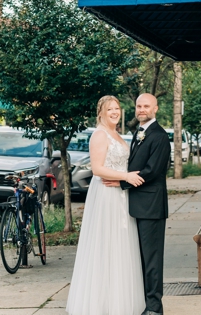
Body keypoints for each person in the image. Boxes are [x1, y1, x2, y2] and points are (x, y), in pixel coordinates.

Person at [66, 96, 147, 315]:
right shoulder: (99, 135)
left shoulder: (117, 135)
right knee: (106, 244)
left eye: (117, 108)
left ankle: (120, 300)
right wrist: (126, 176)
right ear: (100, 113)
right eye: (109, 109)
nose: (114, 112)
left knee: (121, 244)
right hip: (105, 194)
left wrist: (123, 179)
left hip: (120, 194)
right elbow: (98, 169)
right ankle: (101, 304)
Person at [106, 93, 171, 315]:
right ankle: (142, 302)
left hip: (151, 206)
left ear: (156, 109)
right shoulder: (140, 132)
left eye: (146, 106)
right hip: (137, 205)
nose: (142, 109)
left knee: (152, 259)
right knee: (140, 257)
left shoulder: (160, 136)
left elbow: (152, 171)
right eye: (139, 106)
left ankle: (154, 307)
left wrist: (122, 182)